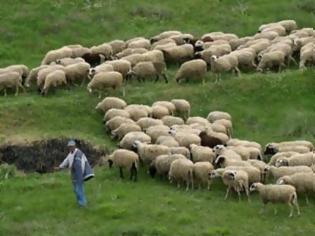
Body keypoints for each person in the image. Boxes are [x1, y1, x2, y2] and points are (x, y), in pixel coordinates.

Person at [55, 140, 88, 207]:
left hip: (79, 174)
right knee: (75, 189)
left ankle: (83, 203)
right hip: (73, 174)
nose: (70, 148)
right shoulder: (70, 154)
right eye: (69, 147)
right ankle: (80, 202)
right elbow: (66, 161)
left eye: (72, 146)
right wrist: (60, 167)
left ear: (74, 146)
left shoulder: (79, 153)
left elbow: (81, 163)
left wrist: (80, 173)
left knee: (79, 189)